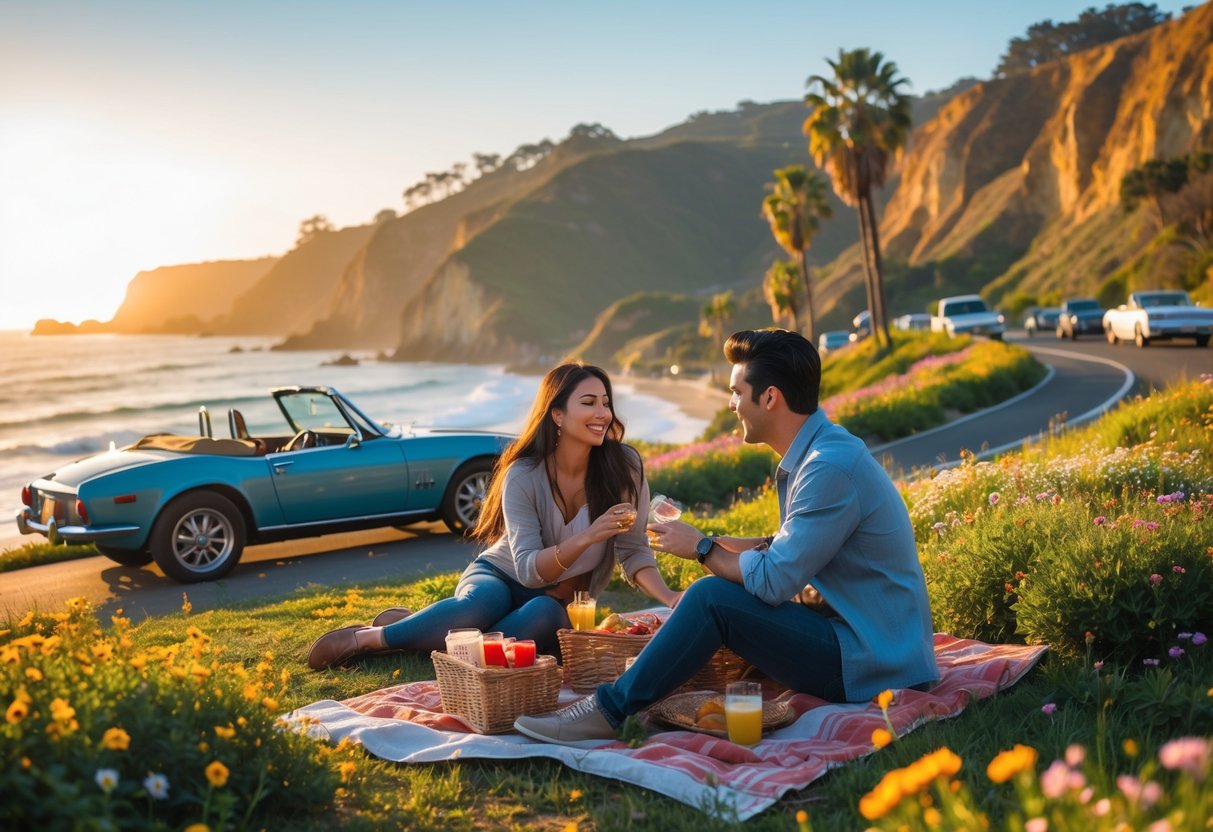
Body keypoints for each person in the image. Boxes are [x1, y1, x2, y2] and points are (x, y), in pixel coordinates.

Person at [514, 329, 938, 744]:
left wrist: (702, 548)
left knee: (710, 597)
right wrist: (727, 541)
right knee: (716, 593)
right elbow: (796, 547)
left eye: (737, 391)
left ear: (769, 397)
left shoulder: (828, 468)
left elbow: (775, 581)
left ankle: (608, 711)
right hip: (866, 639)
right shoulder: (824, 452)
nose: (732, 404)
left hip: (872, 658)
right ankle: (623, 697)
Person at [306, 362, 681, 670]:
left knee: (544, 618)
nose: (603, 414)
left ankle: (428, 630)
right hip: (501, 574)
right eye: (589, 403)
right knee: (478, 606)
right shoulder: (523, 475)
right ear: (557, 415)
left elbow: (633, 551)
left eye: (605, 402)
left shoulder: (624, 467)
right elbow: (530, 570)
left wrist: (668, 598)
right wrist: (589, 535)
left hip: (556, 601)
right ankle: (368, 639)